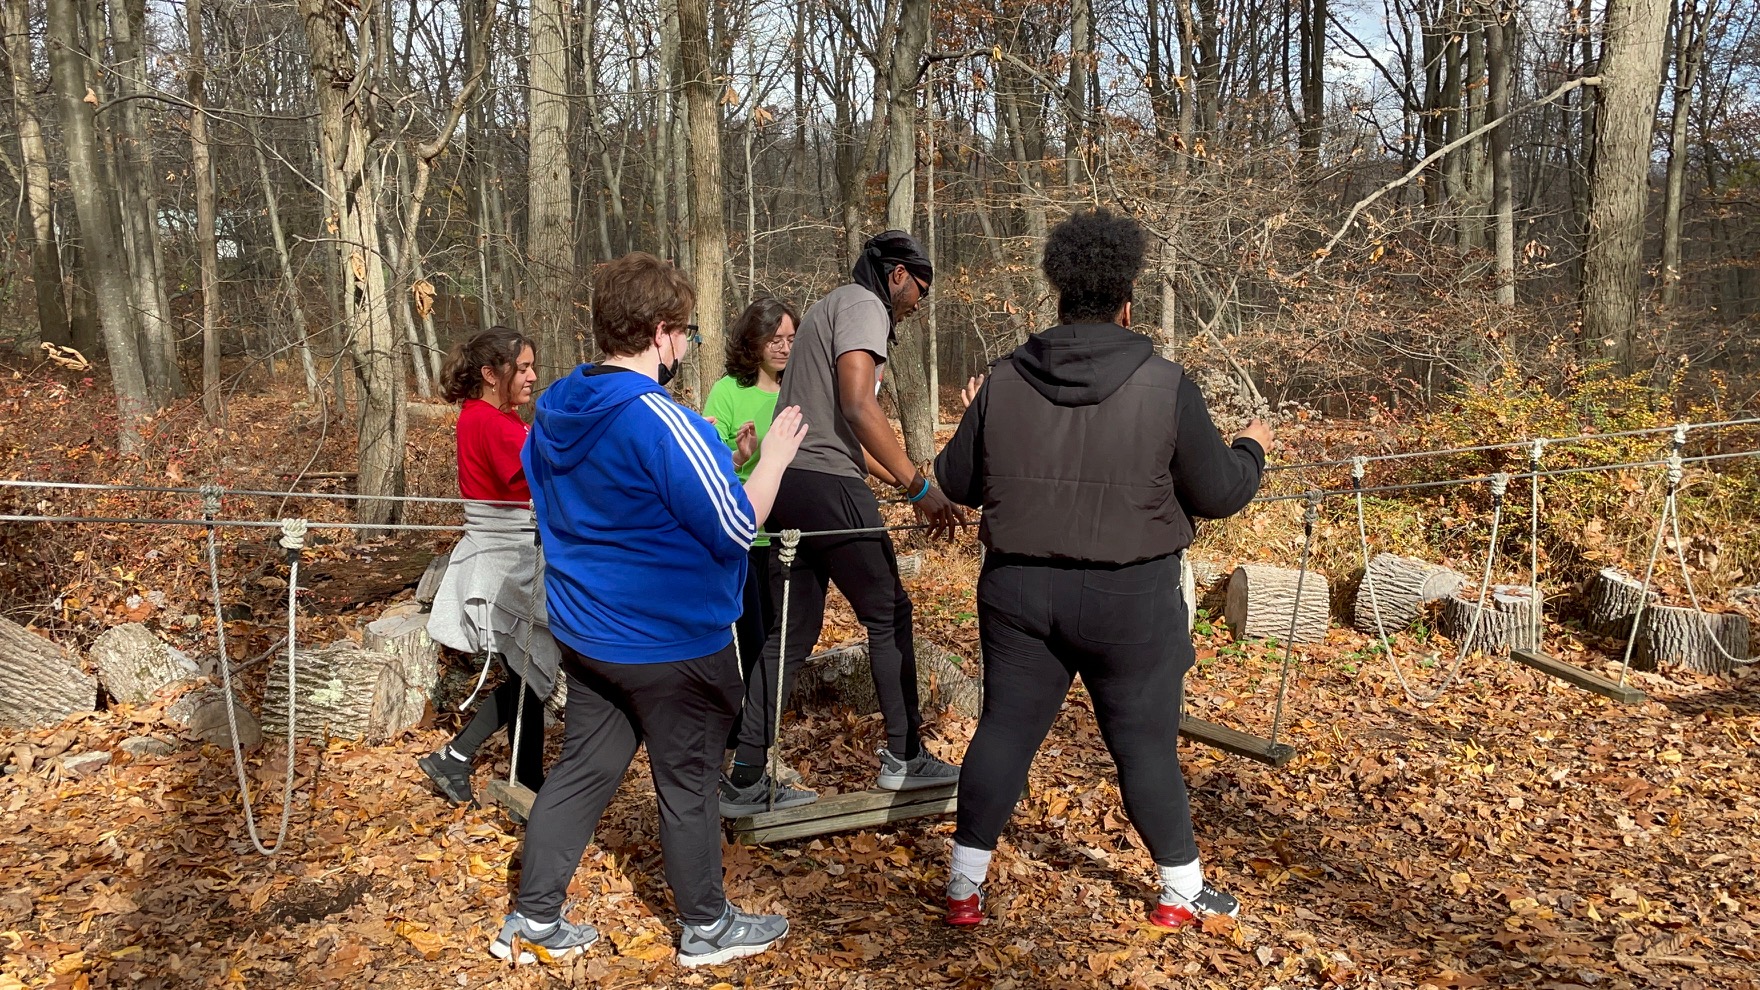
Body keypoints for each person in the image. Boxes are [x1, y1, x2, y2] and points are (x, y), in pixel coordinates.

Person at [932, 208, 1274, 929]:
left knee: (1004, 731)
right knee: (1143, 745)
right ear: (1127, 302)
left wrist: (978, 417)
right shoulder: (1165, 384)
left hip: (1018, 591)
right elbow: (1219, 493)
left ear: (1059, 298)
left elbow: (956, 481)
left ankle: (964, 886)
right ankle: (1179, 892)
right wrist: (1252, 447)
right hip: (1131, 599)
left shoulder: (1004, 380)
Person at [489, 252, 809, 968]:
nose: (688, 345)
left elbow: (593, 503)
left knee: (584, 767)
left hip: (588, 633)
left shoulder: (556, 408)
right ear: (662, 334)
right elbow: (735, 527)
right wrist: (774, 459)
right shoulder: (663, 420)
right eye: (686, 332)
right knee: (689, 782)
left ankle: (531, 919)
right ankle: (706, 927)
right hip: (671, 642)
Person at [720, 230, 965, 817]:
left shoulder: (832, 307)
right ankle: (905, 756)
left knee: (791, 634)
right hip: (825, 483)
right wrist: (919, 486)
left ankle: (745, 777)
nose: (919, 303)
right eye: (920, 288)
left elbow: (846, 429)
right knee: (889, 613)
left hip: (790, 481)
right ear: (897, 275)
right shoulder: (863, 304)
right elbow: (858, 406)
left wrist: (907, 486)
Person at [419, 327, 558, 806]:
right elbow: (534, 478)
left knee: (527, 671)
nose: (532, 376)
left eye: (531, 366)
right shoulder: (490, 422)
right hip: (505, 561)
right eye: (522, 368)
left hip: (511, 554)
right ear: (490, 373)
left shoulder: (495, 417)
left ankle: (517, 775)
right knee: (529, 669)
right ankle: (464, 760)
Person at [702, 298, 798, 697]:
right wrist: (741, 456)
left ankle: (769, 718)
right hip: (746, 536)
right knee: (752, 639)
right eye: (775, 339)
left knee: (786, 635)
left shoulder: (799, 388)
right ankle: (748, 722)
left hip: (792, 532)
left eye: (791, 339)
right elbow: (708, 460)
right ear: (753, 340)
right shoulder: (728, 391)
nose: (784, 348)